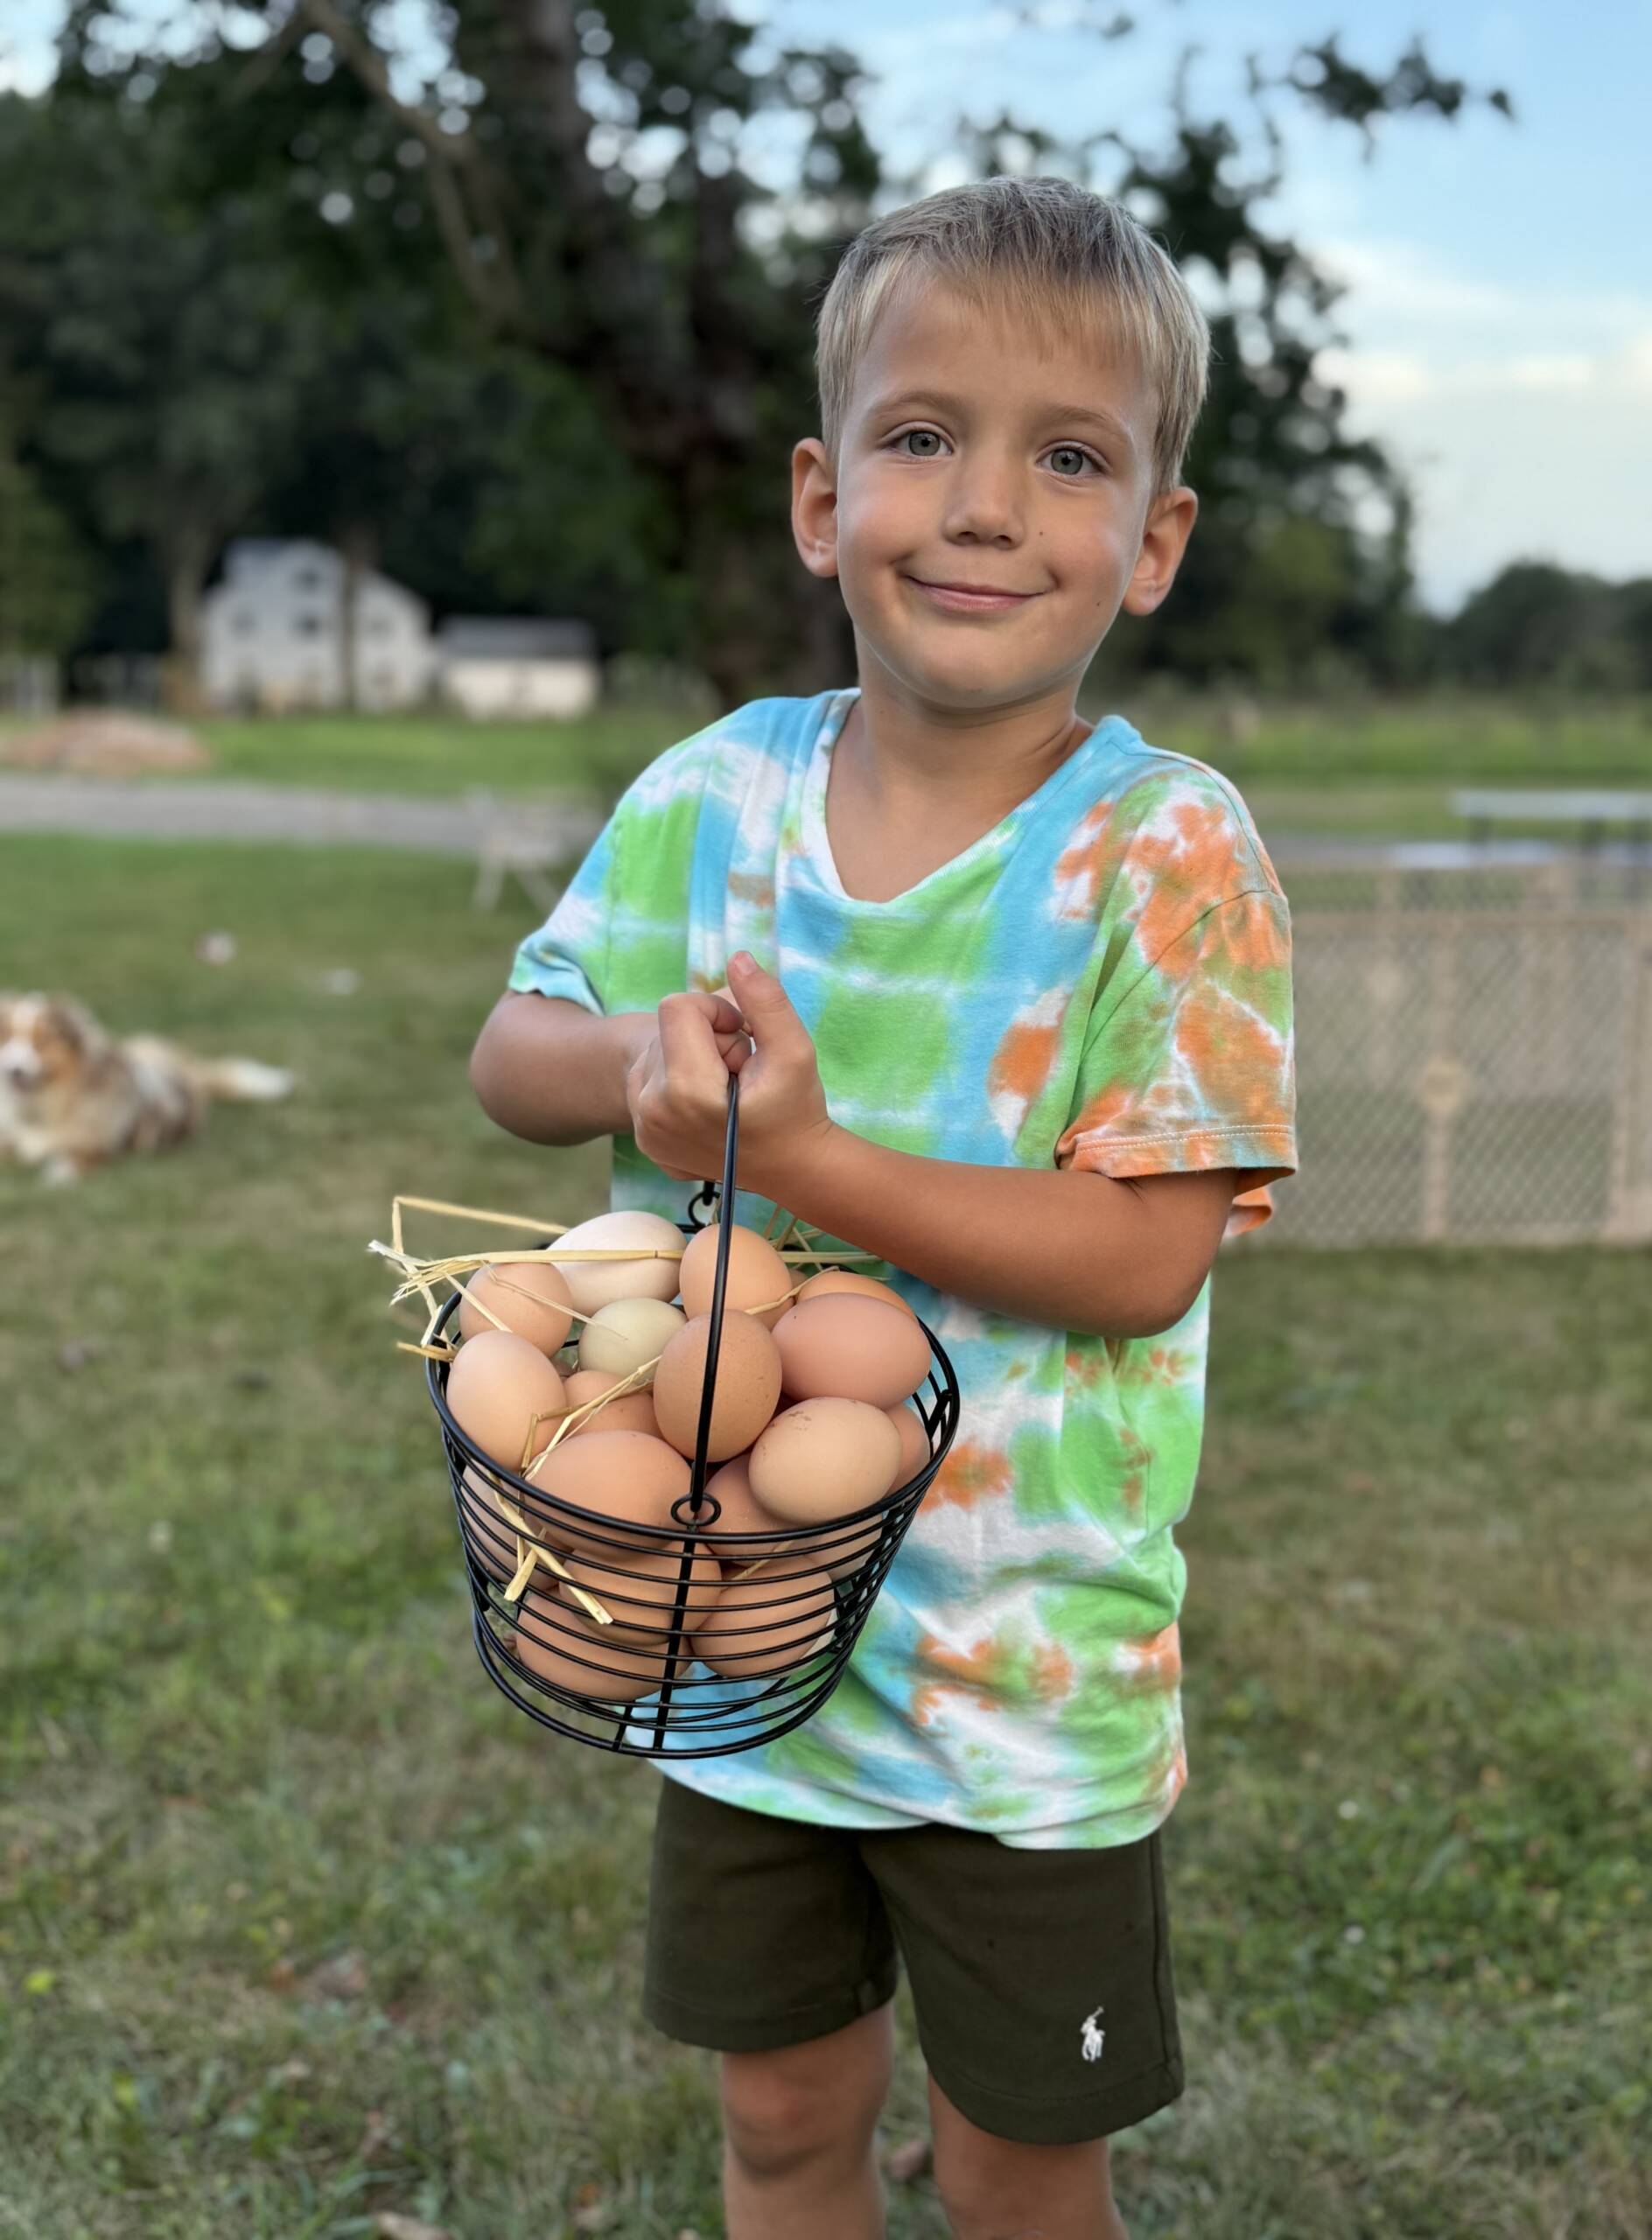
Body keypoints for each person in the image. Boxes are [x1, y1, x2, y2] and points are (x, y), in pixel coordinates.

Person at [471, 173, 1297, 2240]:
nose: (989, 504)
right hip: (735, 1625)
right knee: (779, 2120)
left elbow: (1145, 1252)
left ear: (1154, 543)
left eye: (1071, 456)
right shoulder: (712, 802)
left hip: (1022, 1670)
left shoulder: (1166, 854)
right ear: (824, 503)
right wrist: (646, 1053)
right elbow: (512, 1052)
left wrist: (811, 1163)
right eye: (925, 438)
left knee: (1020, 2164)